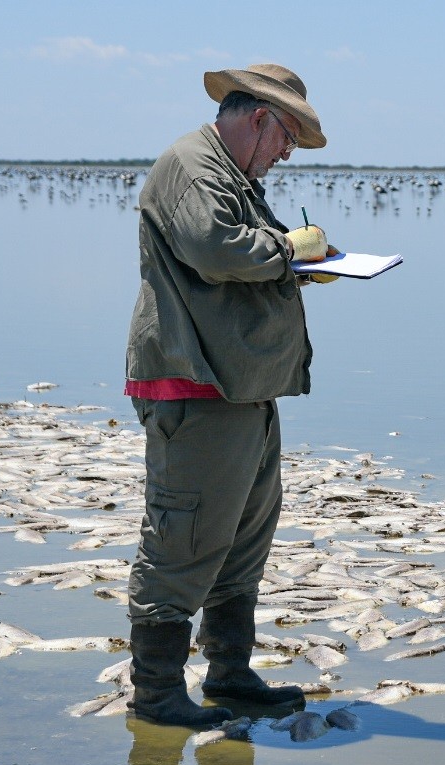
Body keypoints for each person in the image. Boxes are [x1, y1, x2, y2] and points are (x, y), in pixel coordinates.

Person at [123, 64, 334, 726]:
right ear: (259, 118)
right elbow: (217, 249)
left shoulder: (234, 175)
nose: (286, 154)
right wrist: (289, 250)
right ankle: (156, 695)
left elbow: (246, 259)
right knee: (182, 541)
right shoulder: (193, 166)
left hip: (239, 388)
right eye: (285, 138)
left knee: (242, 538)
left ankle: (229, 675)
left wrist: (302, 264)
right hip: (196, 385)